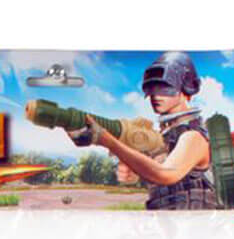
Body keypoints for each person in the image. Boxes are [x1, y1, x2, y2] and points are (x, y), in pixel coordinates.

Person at [66, 51, 218, 210]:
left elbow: (165, 174)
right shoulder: (165, 137)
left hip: (195, 222)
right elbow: (155, 178)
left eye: (165, 87)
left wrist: (108, 141)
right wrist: (133, 171)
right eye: (152, 87)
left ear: (187, 89)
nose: (155, 95)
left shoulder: (193, 136)